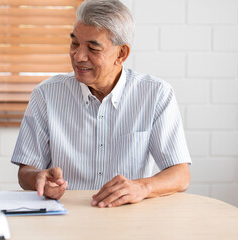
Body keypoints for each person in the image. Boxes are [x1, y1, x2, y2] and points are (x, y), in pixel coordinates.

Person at [11, 0, 191, 207]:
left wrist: (142, 187)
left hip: (128, 219)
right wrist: (39, 178)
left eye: (93, 48)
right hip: (66, 217)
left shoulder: (156, 94)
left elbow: (180, 174)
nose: (78, 56)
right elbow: (25, 172)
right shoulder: (45, 94)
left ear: (121, 54)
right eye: (75, 43)